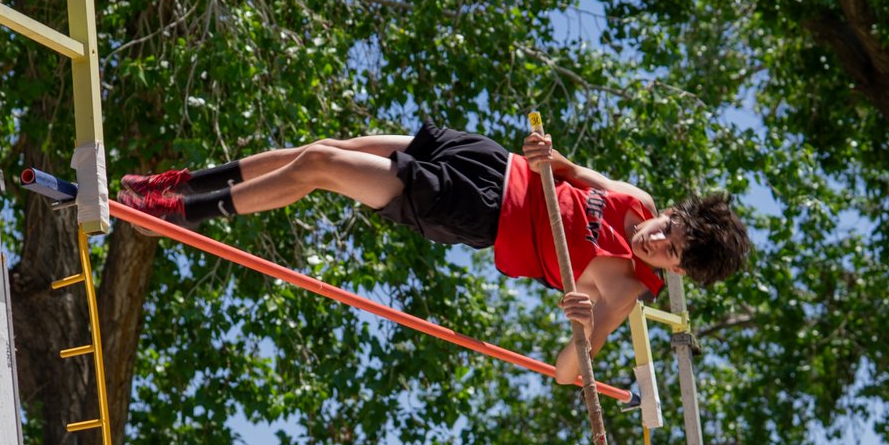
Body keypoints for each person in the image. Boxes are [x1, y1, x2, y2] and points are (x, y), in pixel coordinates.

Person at [118, 122, 749, 383]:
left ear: (673, 271)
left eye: (671, 254)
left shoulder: (625, 286)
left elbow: (568, 373)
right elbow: (572, 171)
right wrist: (546, 154)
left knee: (320, 166)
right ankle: (184, 183)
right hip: (484, 160)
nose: (658, 242)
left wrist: (582, 330)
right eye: (671, 229)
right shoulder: (636, 200)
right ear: (672, 213)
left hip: (472, 211)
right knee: (326, 143)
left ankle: (180, 216)